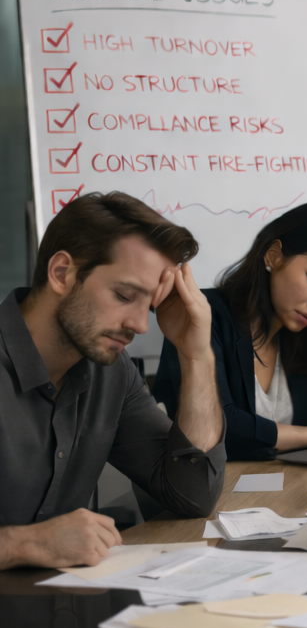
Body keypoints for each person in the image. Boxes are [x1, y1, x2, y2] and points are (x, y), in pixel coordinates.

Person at [0, 193, 224, 570]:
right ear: (61, 274)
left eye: (150, 305)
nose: (139, 325)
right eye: (124, 295)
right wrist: (22, 543)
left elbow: (194, 495)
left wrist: (196, 354)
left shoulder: (111, 370)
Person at [155, 201, 307, 461]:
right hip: (210, 492)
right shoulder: (202, 314)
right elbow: (219, 428)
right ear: (274, 255)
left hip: (286, 493)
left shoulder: (306, 337)